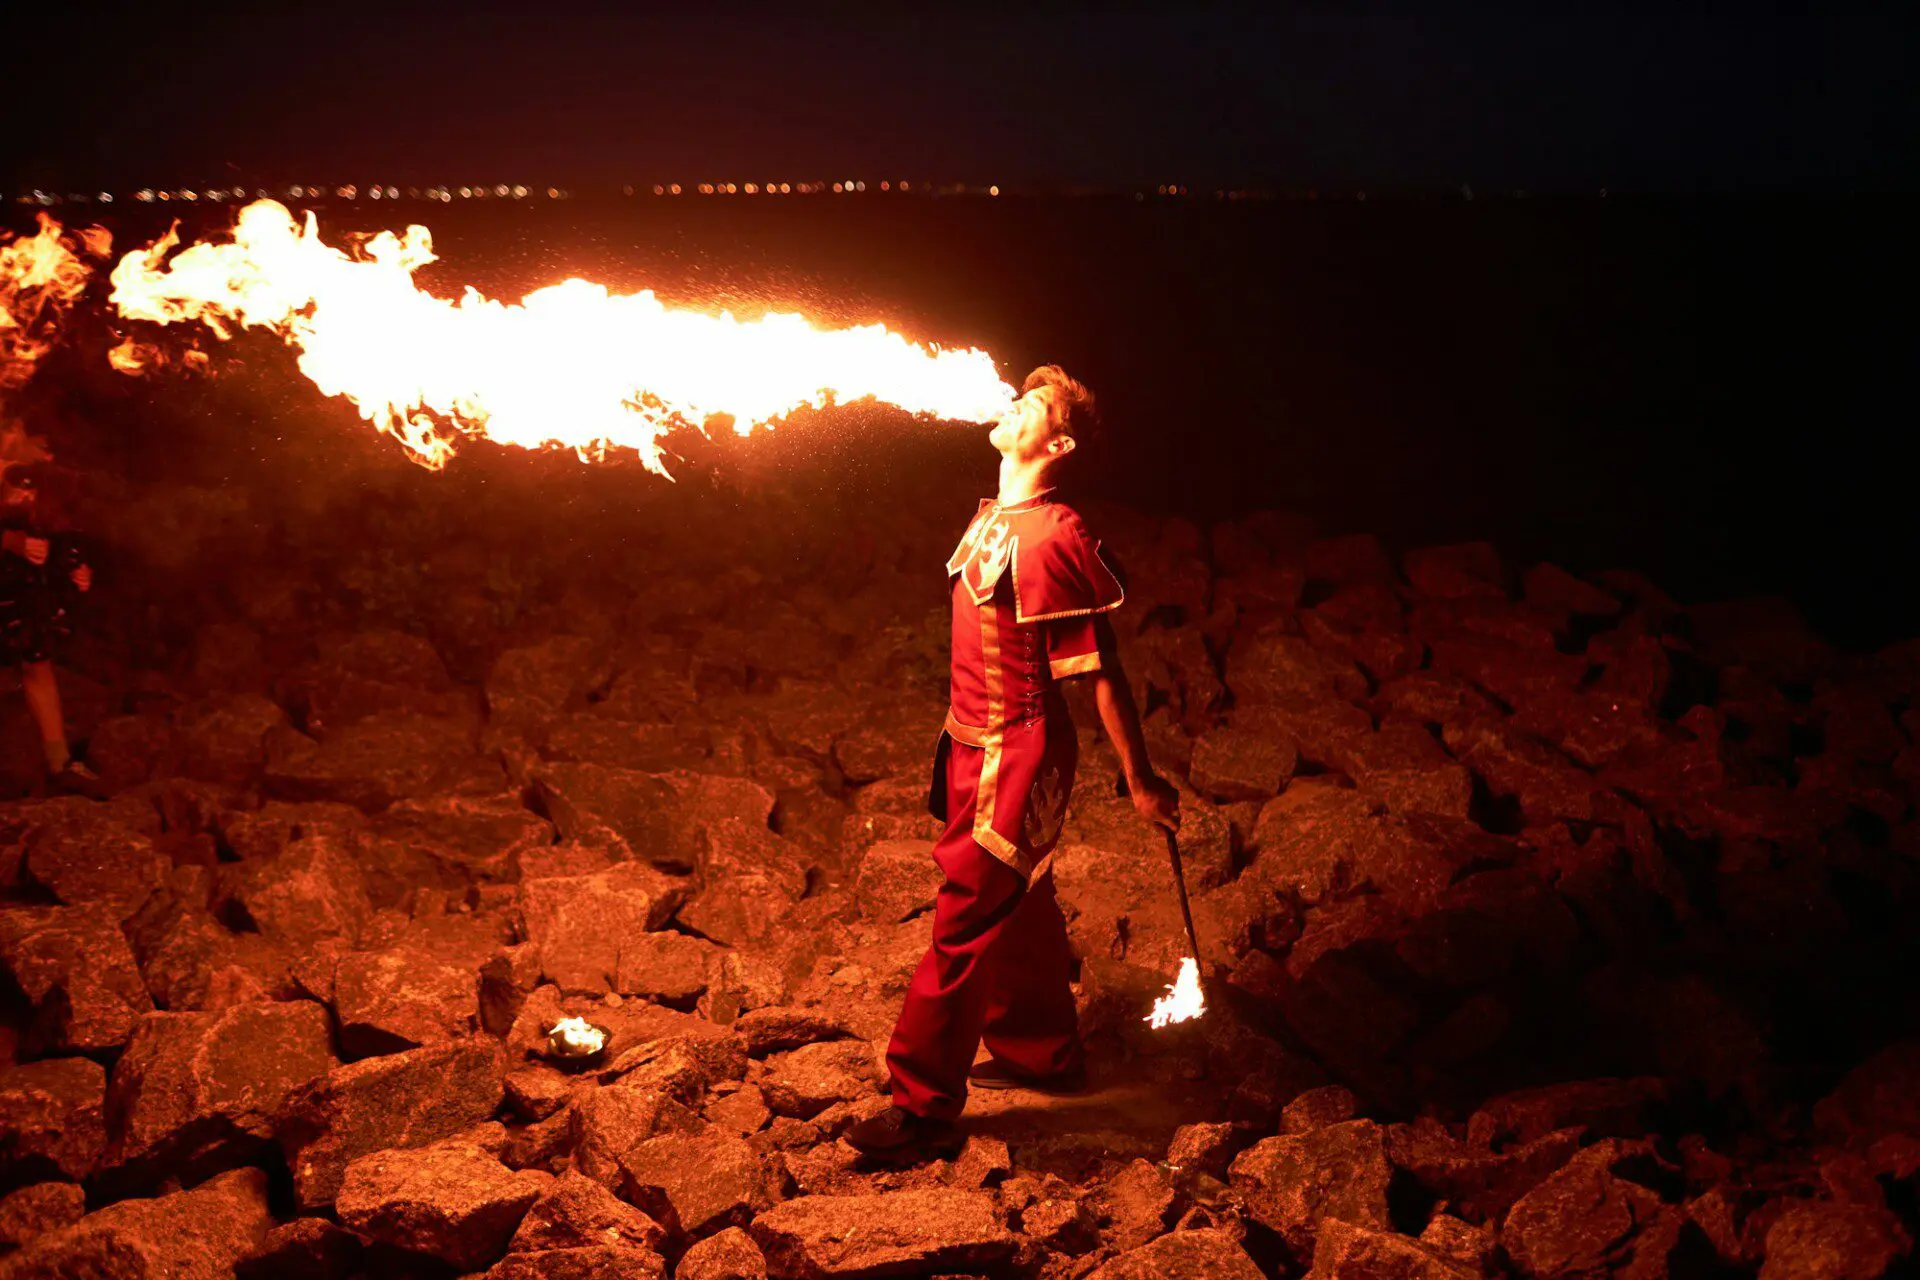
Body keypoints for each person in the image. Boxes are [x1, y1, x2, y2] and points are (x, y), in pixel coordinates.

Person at [847, 365, 1180, 1159]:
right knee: (1020, 899)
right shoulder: (995, 516)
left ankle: (923, 1106)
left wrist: (1140, 779)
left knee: (964, 919)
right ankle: (1044, 1054)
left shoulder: (1057, 536)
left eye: (1033, 405)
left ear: (1057, 442)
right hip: (968, 739)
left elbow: (1099, 673)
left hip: (1016, 753)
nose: (1012, 404)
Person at [0, 427, 104, 798]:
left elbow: (59, 531)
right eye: (42, 447)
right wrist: (10, 542)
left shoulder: (35, 476)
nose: (48, 458)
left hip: (15, 586)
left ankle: (59, 764)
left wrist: (75, 567)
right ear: (15, 432)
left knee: (36, 663)